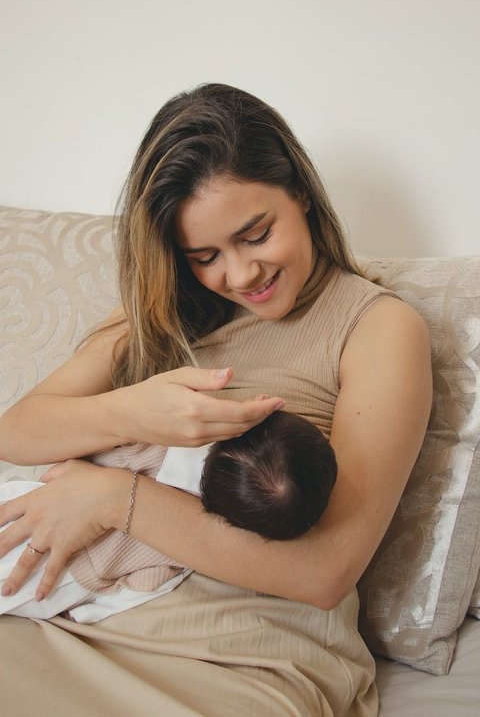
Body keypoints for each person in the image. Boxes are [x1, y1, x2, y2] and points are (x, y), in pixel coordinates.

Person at [0, 83, 432, 716]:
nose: (238, 275)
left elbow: (324, 572)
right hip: (80, 617)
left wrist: (116, 499)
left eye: (256, 236)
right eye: (204, 255)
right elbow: (17, 430)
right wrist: (137, 410)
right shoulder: (162, 315)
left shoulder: (376, 327)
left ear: (302, 195)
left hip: (240, 651)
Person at [0, 410, 337, 620]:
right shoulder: (180, 547)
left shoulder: (158, 438)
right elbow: (142, 586)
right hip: (57, 585)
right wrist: (87, 613)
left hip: (35, 506)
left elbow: (83, 451)